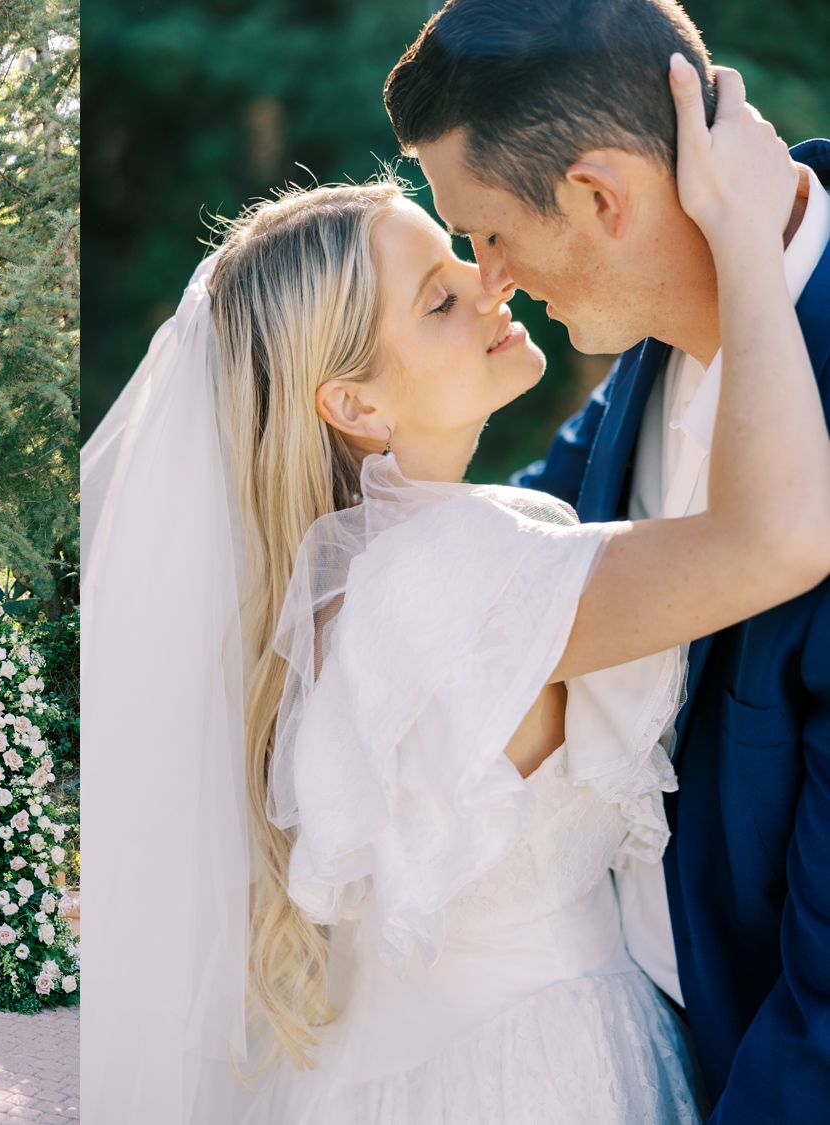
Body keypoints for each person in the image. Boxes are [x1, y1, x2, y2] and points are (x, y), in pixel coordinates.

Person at [80, 41, 830, 1125]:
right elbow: (776, 540)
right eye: (440, 294)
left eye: (470, 245)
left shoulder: (357, 572)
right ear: (356, 406)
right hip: (539, 1072)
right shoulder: (458, 578)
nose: (491, 281)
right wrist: (745, 239)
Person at [384, 1, 830, 1118]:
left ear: (597, 199)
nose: (490, 277)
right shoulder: (648, 351)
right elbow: (523, 543)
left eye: (486, 233)